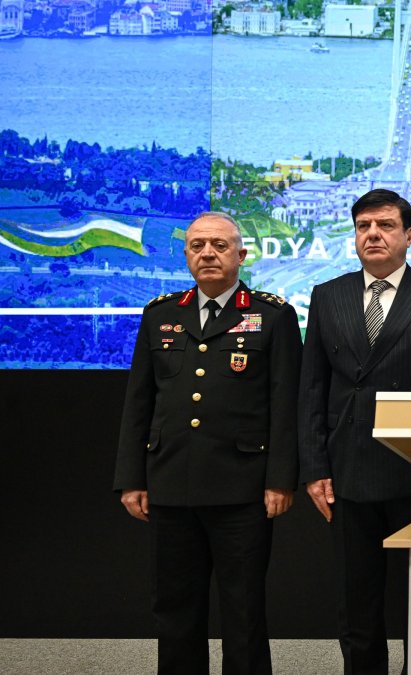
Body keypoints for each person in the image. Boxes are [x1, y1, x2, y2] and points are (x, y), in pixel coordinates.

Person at [114, 211, 301, 675]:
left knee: (243, 611)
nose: (207, 254)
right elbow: (139, 403)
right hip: (171, 485)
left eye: (219, 245)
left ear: (241, 255)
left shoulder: (271, 315)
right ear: (186, 256)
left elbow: (285, 404)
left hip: (242, 490)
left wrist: (282, 479)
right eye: (197, 245)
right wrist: (130, 479)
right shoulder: (160, 315)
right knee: (175, 609)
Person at [298, 189, 411, 674]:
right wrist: (314, 468)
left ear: (409, 235)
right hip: (348, 473)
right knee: (357, 604)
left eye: (385, 225)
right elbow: (312, 389)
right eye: (363, 227)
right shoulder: (327, 296)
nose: (373, 234)